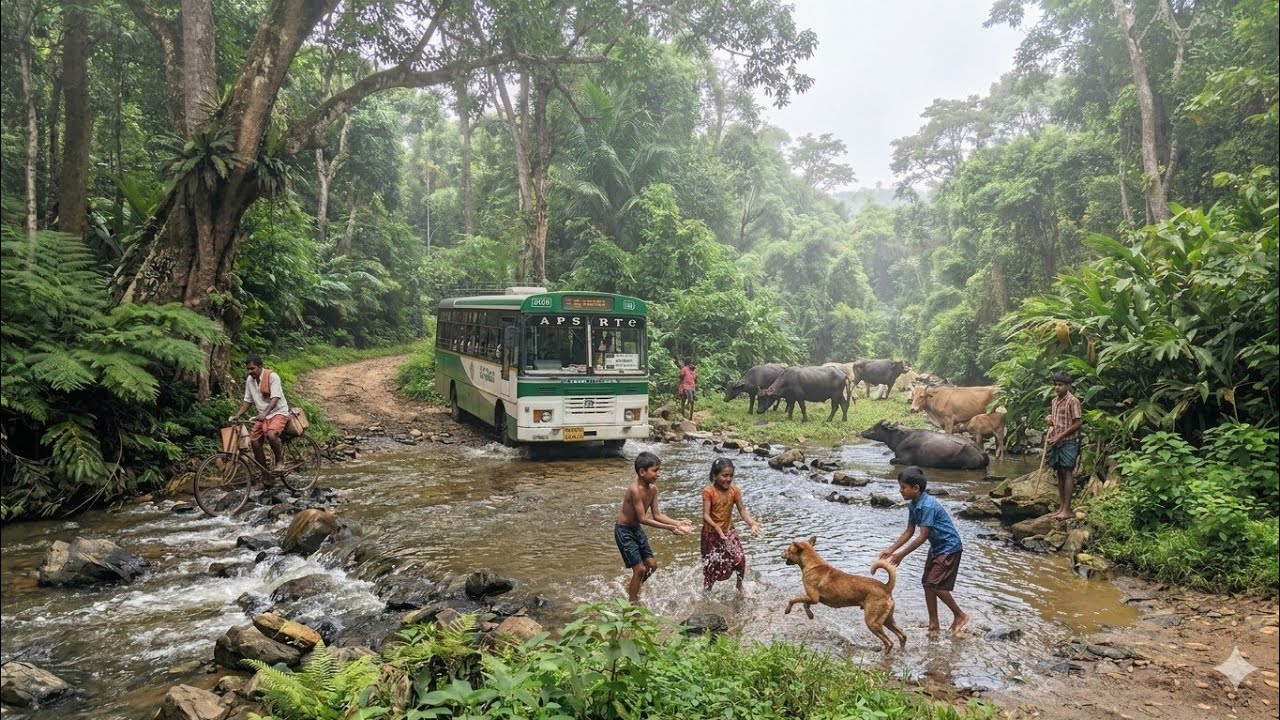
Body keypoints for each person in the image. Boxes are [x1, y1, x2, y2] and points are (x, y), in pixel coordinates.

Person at [879, 466, 969, 635]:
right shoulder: (914, 505)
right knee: (927, 584)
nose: (900, 491)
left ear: (916, 488)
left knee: (935, 584)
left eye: (903, 487)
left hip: (949, 547)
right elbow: (909, 531)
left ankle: (960, 615)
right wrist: (891, 550)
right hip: (937, 548)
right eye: (900, 487)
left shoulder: (928, 506)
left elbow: (922, 536)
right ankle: (934, 624)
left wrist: (901, 555)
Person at [614, 451, 693, 603]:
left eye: (659, 470)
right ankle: (632, 603)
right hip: (624, 531)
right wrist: (670, 528)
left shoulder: (653, 490)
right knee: (640, 569)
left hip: (635, 529)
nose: (658, 474)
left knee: (652, 565)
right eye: (655, 470)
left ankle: (632, 587)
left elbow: (657, 515)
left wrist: (677, 522)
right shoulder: (634, 490)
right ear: (642, 472)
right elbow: (643, 518)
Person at [700, 458, 763, 595]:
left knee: (740, 559)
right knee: (712, 567)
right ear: (714, 476)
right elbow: (705, 515)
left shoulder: (735, 491)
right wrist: (717, 528)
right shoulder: (708, 491)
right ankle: (707, 592)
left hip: (729, 532)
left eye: (731, 475)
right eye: (724, 475)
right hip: (711, 535)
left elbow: (742, 510)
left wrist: (751, 523)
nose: (728, 479)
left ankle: (739, 585)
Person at [228, 354, 291, 482]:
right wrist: (237, 415)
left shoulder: (272, 376)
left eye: (253, 368)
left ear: (260, 367)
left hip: (278, 412)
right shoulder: (250, 381)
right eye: (248, 369)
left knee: (272, 434)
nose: (250, 372)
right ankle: (266, 475)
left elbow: (275, 398)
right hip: (262, 415)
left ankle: (280, 462)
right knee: (255, 442)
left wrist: (264, 413)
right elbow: (247, 401)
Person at [1046, 371, 1083, 520]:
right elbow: (1057, 421)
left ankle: (1067, 510)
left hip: (1068, 442)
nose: (1057, 387)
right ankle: (1061, 507)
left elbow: (1078, 423)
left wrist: (1060, 436)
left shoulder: (1072, 401)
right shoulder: (1055, 401)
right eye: (1055, 385)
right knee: (1060, 472)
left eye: (1060, 385)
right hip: (1057, 442)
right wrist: (1050, 420)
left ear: (1068, 386)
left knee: (1067, 472)